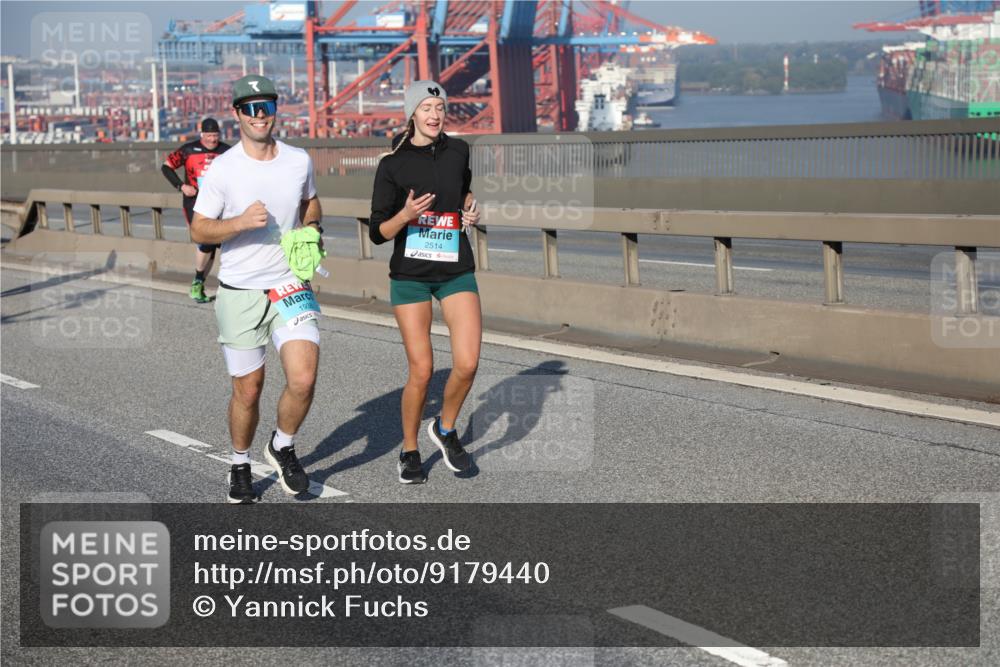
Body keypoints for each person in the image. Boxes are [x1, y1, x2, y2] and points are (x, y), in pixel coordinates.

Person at [190, 75, 323, 504]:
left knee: (303, 379)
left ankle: (282, 446)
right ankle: (240, 462)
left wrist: (313, 228)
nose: (259, 115)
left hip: (288, 284)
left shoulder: (298, 160)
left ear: (275, 109)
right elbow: (199, 227)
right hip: (240, 290)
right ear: (237, 114)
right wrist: (239, 223)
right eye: (250, 108)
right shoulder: (223, 169)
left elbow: (311, 202)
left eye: (265, 106)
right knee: (249, 388)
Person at [369, 80, 482, 484]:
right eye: (426, 107)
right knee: (422, 370)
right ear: (411, 114)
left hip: (454, 270)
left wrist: (470, 208)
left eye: (439, 106)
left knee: (467, 363)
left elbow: (463, 191)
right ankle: (410, 448)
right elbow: (377, 233)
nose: (434, 114)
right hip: (410, 278)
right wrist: (406, 214)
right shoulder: (392, 165)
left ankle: (445, 429)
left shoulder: (460, 150)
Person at [162, 118, 230, 303]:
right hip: (194, 202)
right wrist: (181, 186)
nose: (212, 140)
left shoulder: (226, 151)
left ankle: (199, 284)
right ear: (201, 135)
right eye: (208, 135)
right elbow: (166, 167)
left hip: (219, 204)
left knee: (214, 248)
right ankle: (199, 282)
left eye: (215, 135)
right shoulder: (188, 150)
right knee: (206, 240)